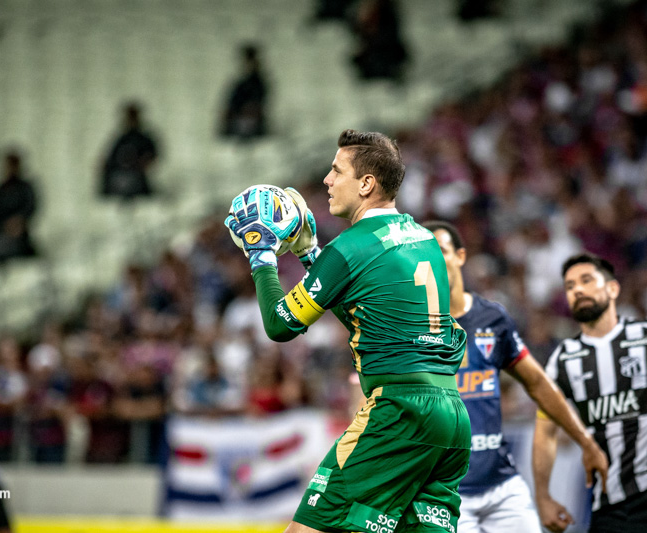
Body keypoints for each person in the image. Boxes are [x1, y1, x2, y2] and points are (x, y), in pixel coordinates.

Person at [225, 129, 472, 533]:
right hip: (449, 414)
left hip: (399, 412)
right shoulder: (424, 239)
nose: (326, 179)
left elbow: (279, 324)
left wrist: (261, 255)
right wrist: (309, 253)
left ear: (366, 184)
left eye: (337, 170)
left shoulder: (351, 246)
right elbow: (367, 316)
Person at [422, 221, 608, 533]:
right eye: (426, 254)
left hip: (502, 485)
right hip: (444, 493)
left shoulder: (492, 318)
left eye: (441, 250)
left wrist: (584, 441)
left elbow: (536, 383)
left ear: (461, 256)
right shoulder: (409, 327)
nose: (435, 260)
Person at [534, 253, 647, 533]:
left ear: (613, 288)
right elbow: (545, 431)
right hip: (610, 505)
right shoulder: (562, 359)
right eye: (570, 286)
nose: (578, 290)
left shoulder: (643, 339)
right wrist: (543, 496)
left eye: (586, 280)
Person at [0, 150, 38, 263]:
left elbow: (30, 207)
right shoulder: (1, 188)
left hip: (18, 233)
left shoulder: (25, 187)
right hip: (0, 229)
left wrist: (19, 220)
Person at [99, 102, 158, 198]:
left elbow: (152, 156)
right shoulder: (121, 139)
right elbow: (110, 159)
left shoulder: (143, 139)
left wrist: (144, 163)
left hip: (136, 178)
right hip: (119, 177)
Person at [220, 44, 269, 140]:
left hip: (253, 123)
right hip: (239, 121)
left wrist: (251, 110)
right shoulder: (240, 84)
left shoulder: (259, 82)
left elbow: (259, 101)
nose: (247, 64)